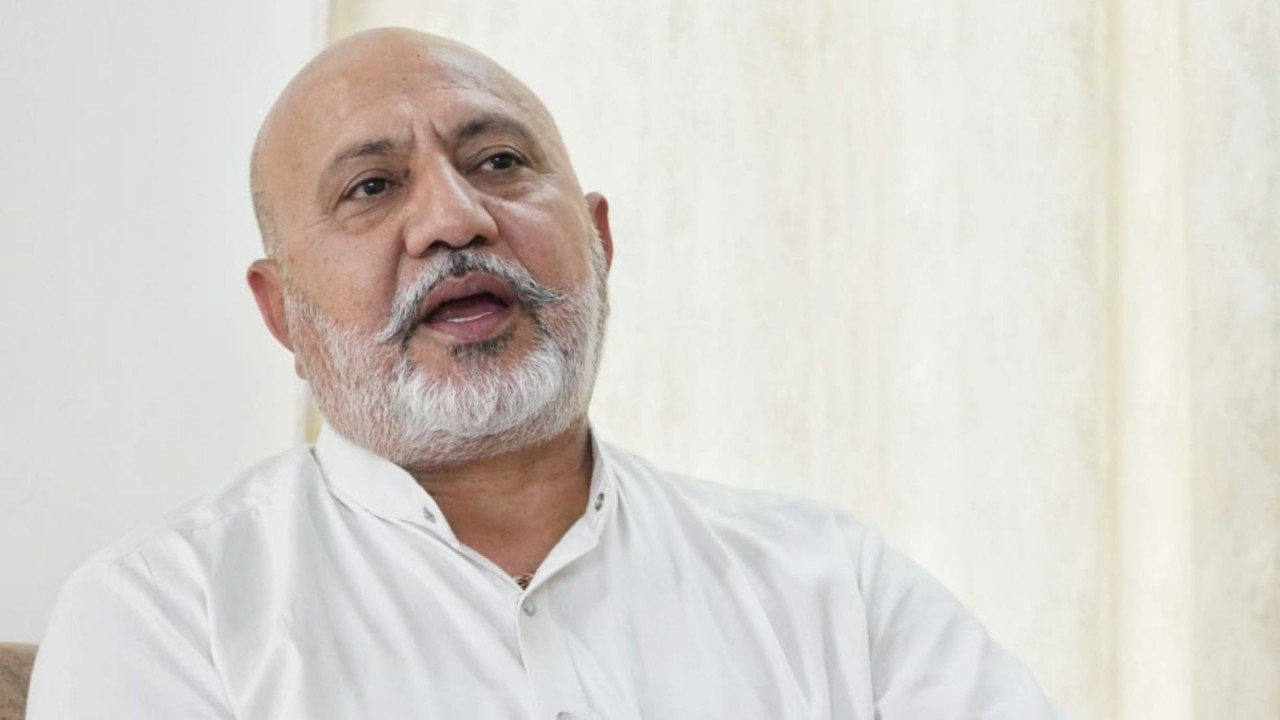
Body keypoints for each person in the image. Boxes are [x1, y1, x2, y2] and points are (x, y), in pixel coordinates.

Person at [27, 28, 1065, 719]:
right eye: (373, 186)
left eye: (498, 163)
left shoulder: (828, 583)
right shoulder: (167, 614)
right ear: (281, 312)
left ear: (599, 242)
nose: (454, 220)